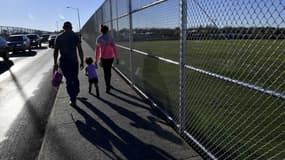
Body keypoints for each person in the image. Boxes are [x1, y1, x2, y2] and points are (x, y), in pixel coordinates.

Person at [53, 21, 84, 106]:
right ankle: (76, 92)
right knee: (75, 78)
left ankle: (72, 98)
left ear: (63, 28)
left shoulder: (59, 37)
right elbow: (80, 49)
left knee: (69, 80)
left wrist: (55, 63)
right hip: (74, 61)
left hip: (64, 62)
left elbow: (56, 51)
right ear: (71, 27)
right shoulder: (75, 36)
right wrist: (82, 61)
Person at [95, 24, 119, 93]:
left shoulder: (99, 38)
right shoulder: (110, 37)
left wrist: (96, 61)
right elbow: (114, 48)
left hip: (103, 58)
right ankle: (108, 84)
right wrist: (117, 57)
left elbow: (97, 51)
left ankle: (107, 86)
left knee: (106, 72)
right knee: (109, 71)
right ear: (107, 30)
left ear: (101, 31)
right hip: (111, 57)